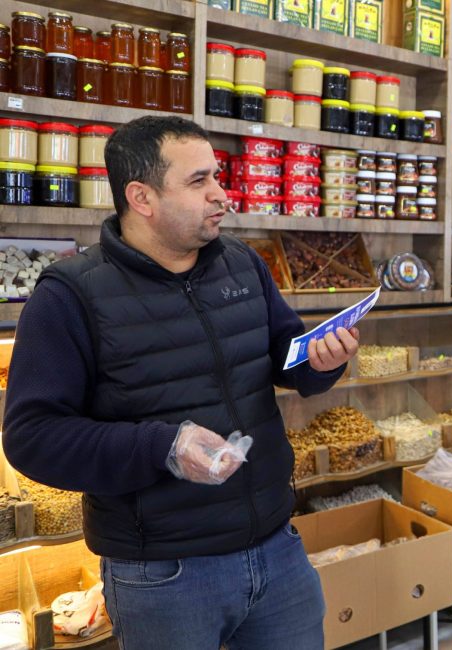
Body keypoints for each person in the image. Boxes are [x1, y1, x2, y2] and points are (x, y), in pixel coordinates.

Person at [2, 116, 360, 650]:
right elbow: (33, 436)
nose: (221, 195)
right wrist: (164, 446)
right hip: (163, 576)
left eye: (217, 177)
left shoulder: (241, 264)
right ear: (141, 197)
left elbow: (289, 361)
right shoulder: (69, 295)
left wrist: (324, 361)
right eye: (199, 182)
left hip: (277, 549)